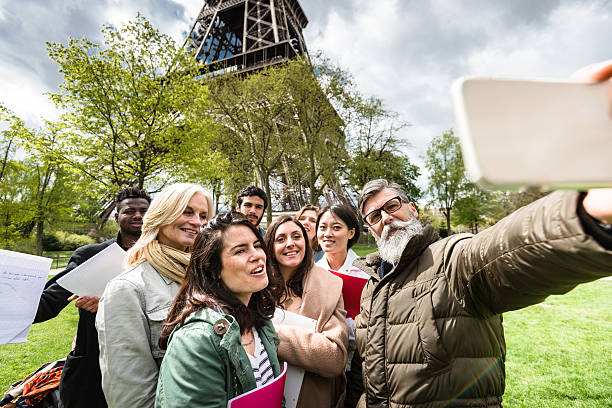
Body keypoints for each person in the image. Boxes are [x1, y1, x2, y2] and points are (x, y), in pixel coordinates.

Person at [352, 177, 612, 407]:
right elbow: (363, 372)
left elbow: (503, 250)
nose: (385, 218)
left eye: (392, 206)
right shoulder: (372, 287)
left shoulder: (450, 258)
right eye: (374, 217)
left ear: (413, 209)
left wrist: (581, 214)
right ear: (370, 229)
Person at [96, 183, 213, 408]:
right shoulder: (127, 288)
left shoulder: (209, 276)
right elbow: (130, 397)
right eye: (187, 212)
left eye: (203, 215)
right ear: (162, 214)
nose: (197, 222)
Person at [33, 186, 151, 408]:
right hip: (91, 362)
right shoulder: (90, 255)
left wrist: (107, 305)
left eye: (144, 210)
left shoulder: (161, 257)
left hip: (143, 361)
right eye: (129, 211)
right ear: (117, 216)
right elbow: (49, 301)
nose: (137, 215)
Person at [155, 212, 284, 407]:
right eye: (240, 251)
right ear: (213, 269)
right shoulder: (195, 341)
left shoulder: (260, 321)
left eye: (257, 246)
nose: (257, 255)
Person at [265, 215, 349, 408]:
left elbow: (334, 357)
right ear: (270, 246)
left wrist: (268, 333)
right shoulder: (255, 288)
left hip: (312, 398)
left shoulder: (330, 286)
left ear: (306, 241)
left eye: (296, 236)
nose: (290, 244)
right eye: (280, 239)